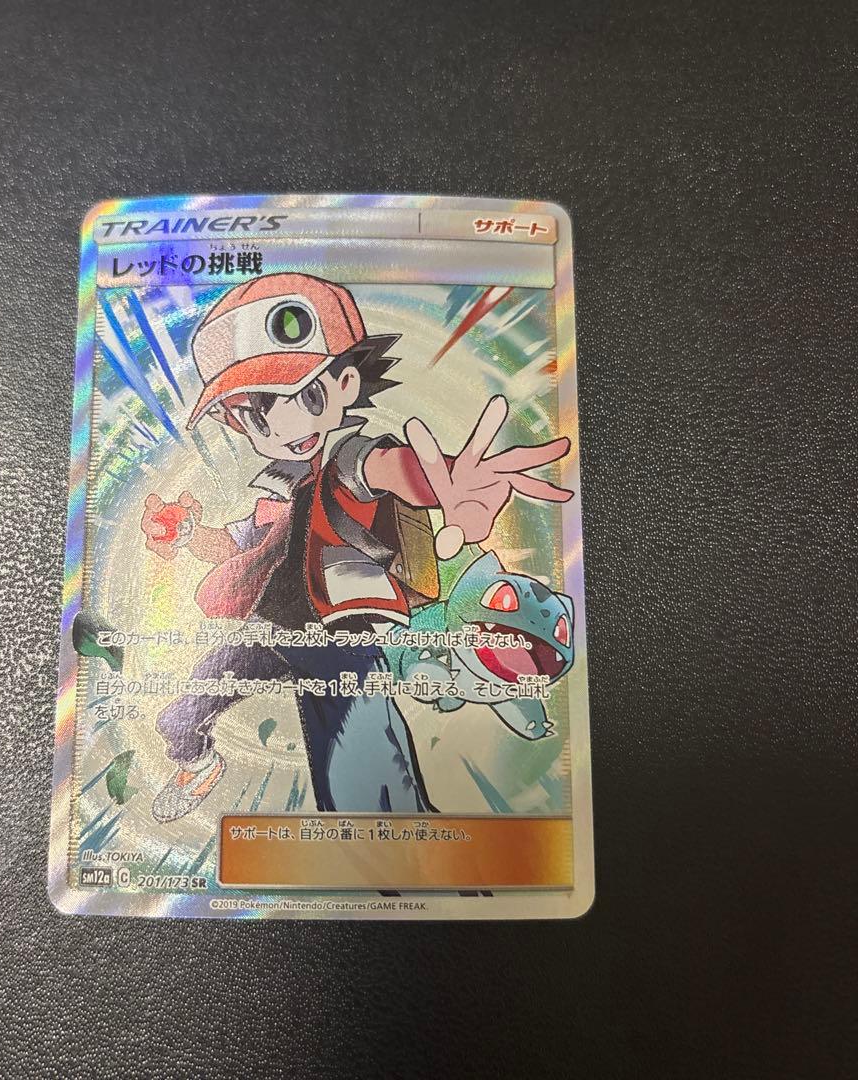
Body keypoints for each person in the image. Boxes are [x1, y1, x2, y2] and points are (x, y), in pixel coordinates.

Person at [141, 273, 572, 821]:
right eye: (256, 413)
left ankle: (405, 846)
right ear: (235, 420)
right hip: (269, 632)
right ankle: (199, 765)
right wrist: (187, 535)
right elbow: (233, 545)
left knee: (365, 788)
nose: (286, 423)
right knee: (181, 715)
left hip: (338, 642)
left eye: (308, 394)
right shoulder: (279, 490)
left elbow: (387, 468)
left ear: (345, 383)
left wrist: (445, 485)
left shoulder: (348, 459)